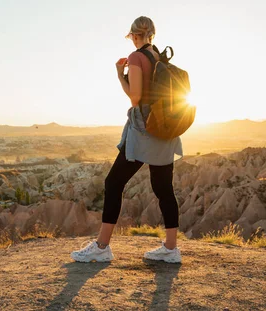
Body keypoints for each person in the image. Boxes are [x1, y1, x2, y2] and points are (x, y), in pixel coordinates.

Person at [71, 16, 183, 263]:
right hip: (165, 129)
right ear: (152, 34)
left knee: (113, 183)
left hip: (145, 132)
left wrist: (120, 75)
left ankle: (102, 247)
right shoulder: (158, 57)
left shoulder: (135, 58)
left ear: (133, 35)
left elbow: (135, 97)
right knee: (164, 188)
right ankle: (171, 249)